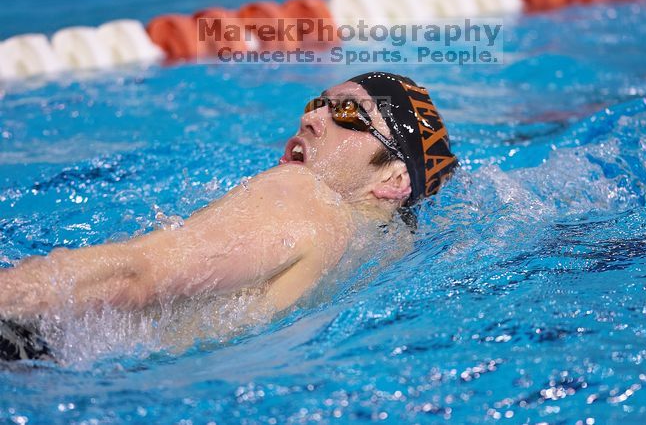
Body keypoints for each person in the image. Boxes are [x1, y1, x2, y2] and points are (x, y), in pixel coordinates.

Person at [0, 71, 457, 361]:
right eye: (318, 103)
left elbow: (138, 276)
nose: (313, 119)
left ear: (395, 180)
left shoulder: (300, 195)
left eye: (348, 113)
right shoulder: (382, 252)